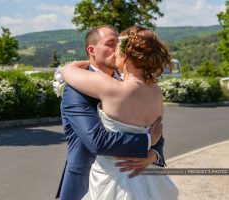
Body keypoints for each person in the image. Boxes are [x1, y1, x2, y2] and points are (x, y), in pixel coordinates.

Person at [61, 25, 178, 200]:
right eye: (111, 44)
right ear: (91, 50)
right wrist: (147, 142)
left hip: (118, 177)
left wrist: (154, 153)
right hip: (86, 180)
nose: (116, 49)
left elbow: (157, 133)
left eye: (119, 45)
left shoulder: (114, 85)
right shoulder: (75, 90)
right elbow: (96, 140)